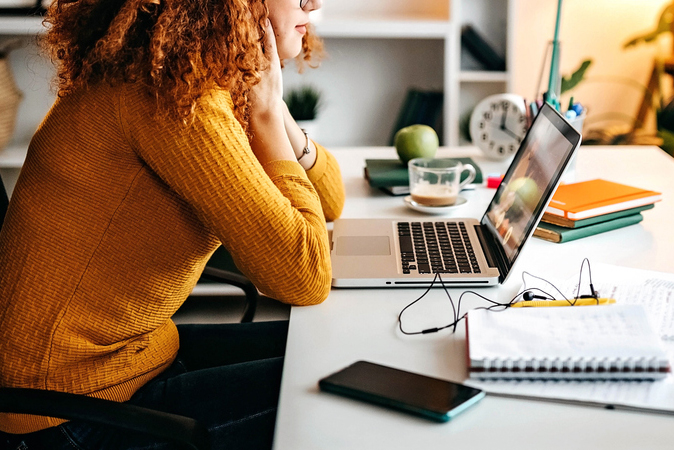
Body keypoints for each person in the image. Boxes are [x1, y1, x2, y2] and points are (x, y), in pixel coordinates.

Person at [0, 0, 344, 448]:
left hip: (128, 359)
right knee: (339, 390)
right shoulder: (173, 99)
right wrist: (263, 113)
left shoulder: (196, 76)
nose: (313, 2)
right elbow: (305, 275)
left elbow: (331, 198)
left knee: (336, 356)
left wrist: (270, 105)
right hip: (64, 411)